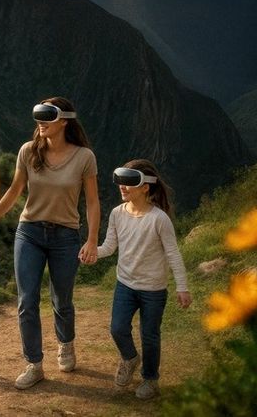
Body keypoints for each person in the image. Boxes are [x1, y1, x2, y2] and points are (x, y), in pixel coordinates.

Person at [0, 97, 100, 390]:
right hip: (29, 232)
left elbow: (91, 202)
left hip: (66, 236)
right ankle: (34, 364)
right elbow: (15, 190)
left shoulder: (84, 157)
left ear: (64, 121)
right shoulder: (28, 151)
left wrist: (91, 239)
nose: (40, 121)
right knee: (27, 301)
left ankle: (66, 344)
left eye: (47, 116)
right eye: (37, 115)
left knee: (61, 300)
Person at [97, 160, 191, 400]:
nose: (122, 187)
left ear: (145, 187)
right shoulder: (117, 214)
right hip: (125, 285)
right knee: (117, 328)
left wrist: (182, 287)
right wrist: (91, 252)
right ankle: (129, 358)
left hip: (153, 290)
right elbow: (109, 247)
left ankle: (150, 380)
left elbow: (173, 254)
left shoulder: (160, 219)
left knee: (149, 336)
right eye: (120, 180)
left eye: (129, 181)